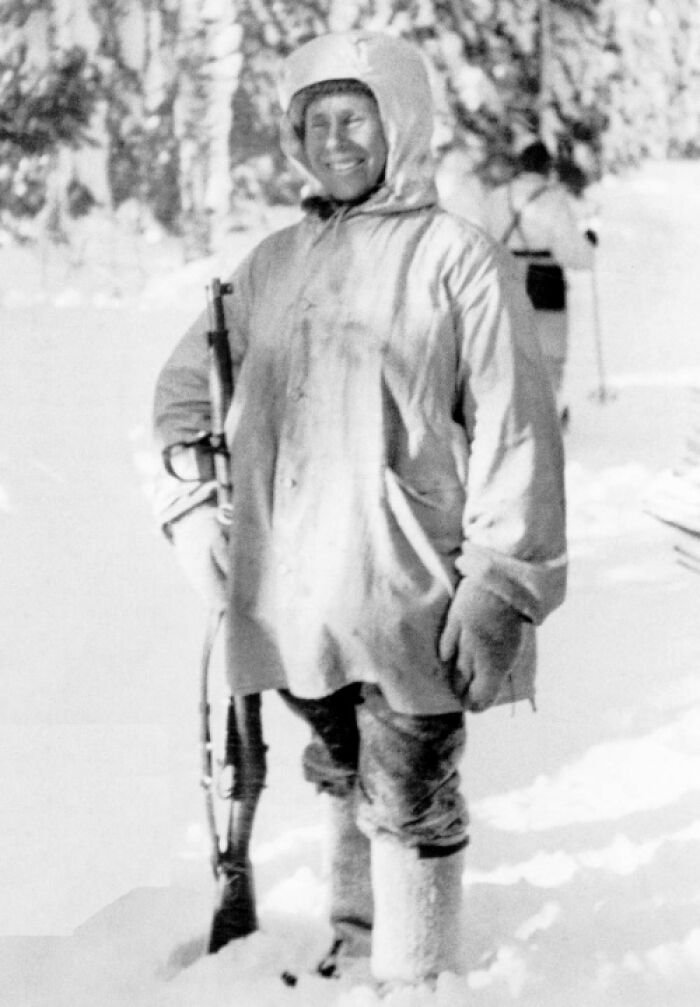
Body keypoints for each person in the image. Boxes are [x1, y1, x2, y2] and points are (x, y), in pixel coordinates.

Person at [152, 31, 567, 990]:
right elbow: (181, 397)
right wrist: (191, 510)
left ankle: (416, 972)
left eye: (358, 117)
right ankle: (356, 930)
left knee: (412, 778)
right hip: (292, 586)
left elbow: (518, 434)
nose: (337, 140)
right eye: (317, 122)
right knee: (342, 758)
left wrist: (502, 584)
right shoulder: (271, 264)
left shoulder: (458, 258)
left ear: (402, 123)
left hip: (408, 579)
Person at [484, 140, 596, 424]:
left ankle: (511, 413)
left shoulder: (498, 197)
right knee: (550, 352)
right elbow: (570, 249)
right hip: (546, 279)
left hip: (507, 277)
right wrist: (588, 249)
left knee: (509, 348)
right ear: (547, 167)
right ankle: (547, 413)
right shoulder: (555, 199)